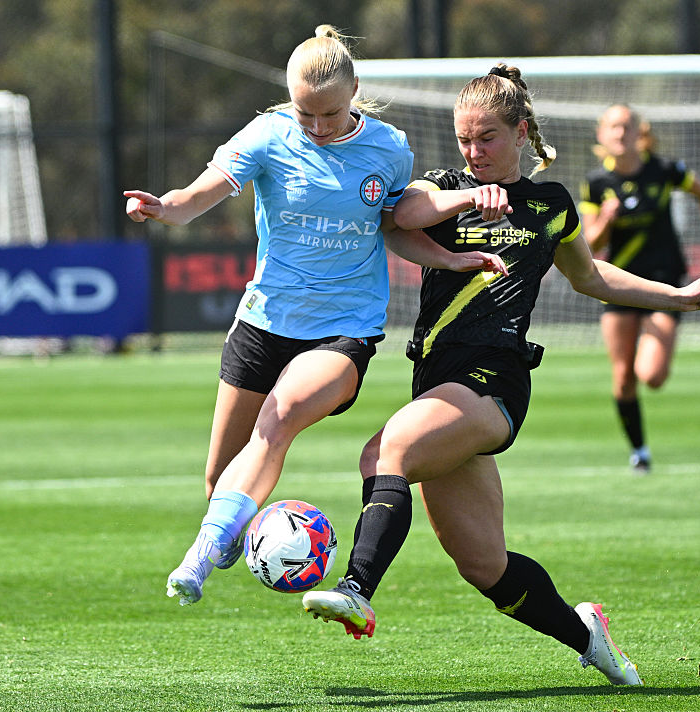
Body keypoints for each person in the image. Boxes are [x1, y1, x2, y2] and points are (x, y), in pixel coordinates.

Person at [301, 64, 700, 686]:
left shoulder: (549, 203)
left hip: (494, 381)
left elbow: (591, 277)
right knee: (486, 569)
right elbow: (402, 214)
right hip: (438, 385)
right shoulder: (449, 187)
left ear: (521, 132)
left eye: (488, 139)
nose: (474, 152)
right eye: (465, 139)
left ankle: (357, 587)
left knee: (386, 448)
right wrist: (468, 195)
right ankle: (588, 636)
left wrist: (678, 296)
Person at [124, 26, 503, 606]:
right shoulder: (268, 135)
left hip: (343, 330)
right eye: (306, 114)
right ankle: (234, 537)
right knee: (218, 480)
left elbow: (395, 227)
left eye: (329, 113)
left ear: (354, 90)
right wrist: (165, 208)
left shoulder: (388, 148)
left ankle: (194, 561)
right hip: (263, 322)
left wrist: (448, 259)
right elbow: (199, 195)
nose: (318, 127)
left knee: (277, 422)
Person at [579, 103, 700, 472]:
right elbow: (590, 247)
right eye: (613, 127)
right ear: (602, 135)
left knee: (652, 375)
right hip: (618, 285)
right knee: (623, 377)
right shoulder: (596, 183)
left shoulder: (665, 170)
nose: (620, 133)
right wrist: (606, 221)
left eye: (627, 126)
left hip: (664, 283)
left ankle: (652, 334)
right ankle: (639, 451)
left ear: (639, 132)